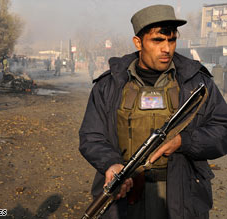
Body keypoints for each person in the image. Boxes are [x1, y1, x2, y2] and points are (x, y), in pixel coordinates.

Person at [79, 4, 227, 219]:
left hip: (181, 194)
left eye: (172, 40)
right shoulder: (109, 85)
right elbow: (91, 136)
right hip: (125, 195)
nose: (167, 48)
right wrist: (111, 163)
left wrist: (184, 141)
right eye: (158, 40)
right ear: (138, 42)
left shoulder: (196, 82)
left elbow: (222, 128)